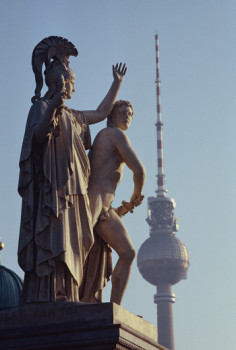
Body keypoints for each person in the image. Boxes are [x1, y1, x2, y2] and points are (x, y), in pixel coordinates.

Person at [17, 36, 126, 303]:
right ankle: (50, 295)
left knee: (71, 244)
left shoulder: (74, 115)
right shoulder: (42, 108)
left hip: (74, 193)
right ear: (58, 81)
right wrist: (54, 104)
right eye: (71, 83)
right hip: (51, 193)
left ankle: (68, 293)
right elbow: (39, 136)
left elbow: (101, 113)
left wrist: (117, 83)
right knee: (53, 240)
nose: (73, 90)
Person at [80, 100, 145, 305]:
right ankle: (67, 294)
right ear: (111, 116)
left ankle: (114, 309)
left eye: (131, 114)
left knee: (127, 252)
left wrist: (124, 206)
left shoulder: (105, 136)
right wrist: (137, 194)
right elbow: (140, 171)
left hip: (105, 207)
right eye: (123, 111)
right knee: (79, 250)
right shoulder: (114, 134)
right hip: (94, 201)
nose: (127, 116)